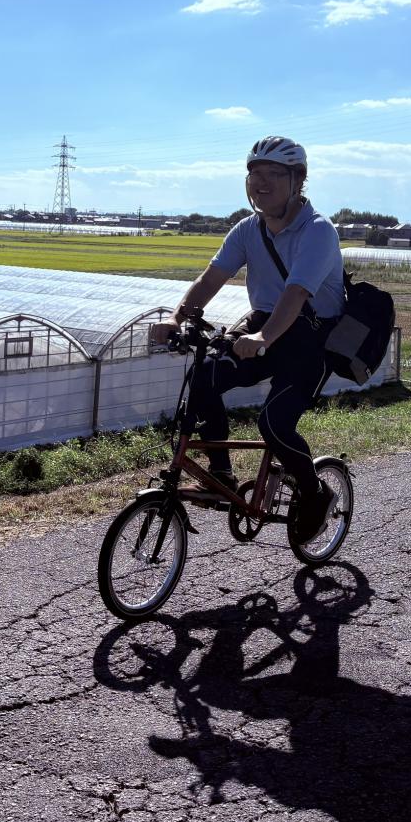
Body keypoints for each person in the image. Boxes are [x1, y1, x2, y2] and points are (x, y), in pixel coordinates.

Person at [151, 136, 345, 541]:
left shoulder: (318, 231)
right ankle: (218, 472)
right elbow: (211, 279)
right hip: (263, 324)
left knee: (274, 424)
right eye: (255, 173)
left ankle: (314, 491)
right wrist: (175, 317)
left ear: (298, 181)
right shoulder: (247, 229)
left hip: (308, 337)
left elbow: (295, 294)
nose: (261, 182)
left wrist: (263, 336)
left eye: (274, 174)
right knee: (204, 374)